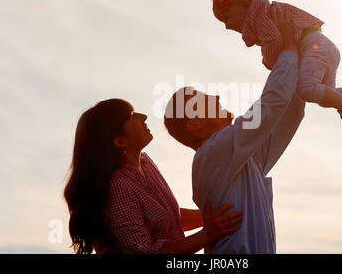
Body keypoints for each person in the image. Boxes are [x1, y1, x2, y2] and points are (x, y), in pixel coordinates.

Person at [164, 7, 304, 253]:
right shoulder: (214, 151)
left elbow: (290, 110)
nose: (216, 97)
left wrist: (295, 56)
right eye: (203, 100)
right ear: (194, 124)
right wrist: (289, 46)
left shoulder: (241, 156)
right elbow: (272, 104)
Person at [63, 98, 242, 254]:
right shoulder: (118, 188)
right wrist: (207, 234)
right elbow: (146, 251)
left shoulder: (145, 163)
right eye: (132, 116)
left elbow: (167, 219)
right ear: (119, 141)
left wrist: (212, 218)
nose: (143, 116)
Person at [211, 0, 342, 132]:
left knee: (306, 90)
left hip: (314, 46)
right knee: (326, 96)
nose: (227, 26)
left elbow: (273, 40)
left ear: (242, 3)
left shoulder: (260, 17)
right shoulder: (262, 13)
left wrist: (269, 61)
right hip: (322, 46)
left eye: (226, 18)